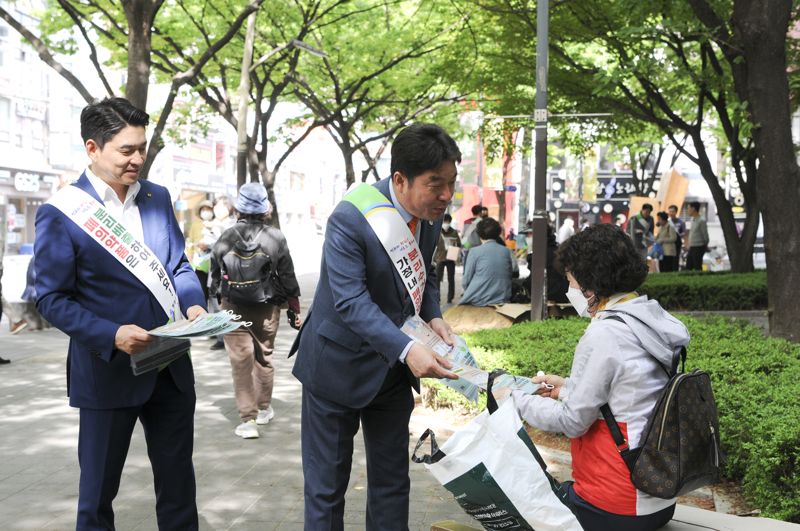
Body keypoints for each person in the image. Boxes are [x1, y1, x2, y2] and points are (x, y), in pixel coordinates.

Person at [33, 97, 207, 530]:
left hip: (168, 363)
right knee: (97, 496)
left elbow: (178, 265)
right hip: (108, 369)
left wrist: (194, 302)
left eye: (142, 148)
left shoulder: (156, 197)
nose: (138, 159)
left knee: (179, 488)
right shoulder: (62, 213)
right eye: (126, 150)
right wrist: (112, 334)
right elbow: (50, 298)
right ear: (92, 149)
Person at [290, 123, 459, 530]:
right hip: (336, 368)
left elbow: (426, 278)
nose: (446, 196)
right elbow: (350, 301)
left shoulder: (428, 214)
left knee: (391, 484)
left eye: (452, 183)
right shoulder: (350, 218)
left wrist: (433, 315)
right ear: (400, 180)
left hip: (391, 375)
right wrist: (408, 349)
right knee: (327, 489)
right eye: (436, 184)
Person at [512, 224, 689, 531]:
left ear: (590, 285)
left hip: (614, 502)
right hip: (659, 496)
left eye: (571, 281)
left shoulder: (605, 333)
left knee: (515, 502)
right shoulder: (651, 318)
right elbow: (628, 394)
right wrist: (565, 387)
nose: (570, 290)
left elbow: (572, 422)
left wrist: (515, 400)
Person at [210, 182, 302, 439]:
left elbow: (214, 272)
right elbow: (287, 275)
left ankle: (247, 421)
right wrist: (293, 308)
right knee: (264, 358)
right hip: (267, 306)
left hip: (232, 307)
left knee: (241, 362)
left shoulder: (226, 236)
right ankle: (263, 409)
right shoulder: (275, 237)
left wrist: (218, 300)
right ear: (265, 208)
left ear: (239, 208)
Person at [460, 218, 513, 306]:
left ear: (479, 234)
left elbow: (466, 281)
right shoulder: (506, 251)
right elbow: (509, 274)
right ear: (498, 233)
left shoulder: (474, 251)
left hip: (478, 299)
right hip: (502, 298)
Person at [434, 213, 461, 304]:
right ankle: (437, 297)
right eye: (445, 221)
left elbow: (459, 244)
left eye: (447, 221)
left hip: (450, 258)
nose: (446, 223)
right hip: (440, 257)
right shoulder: (437, 231)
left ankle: (450, 297)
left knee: (451, 278)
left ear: (450, 222)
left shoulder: (454, 232)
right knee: (437, 279)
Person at [685, 201, 709, 271]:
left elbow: (705, 235)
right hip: (692, 246)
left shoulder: (701, 220)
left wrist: (705, 245)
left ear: (693, 209)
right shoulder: (692, 219)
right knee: (688, 266)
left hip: (699, 246)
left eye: (688, 208)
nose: (688, 210)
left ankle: (699, 280)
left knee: (697, 266)